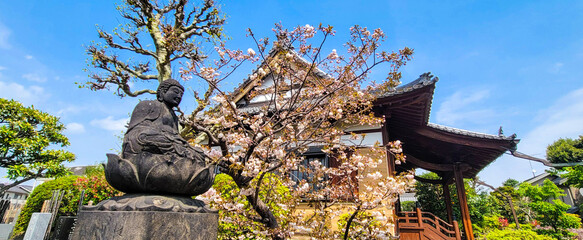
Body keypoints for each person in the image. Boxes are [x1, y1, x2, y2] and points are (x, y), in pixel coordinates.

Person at [106, 79, 214, 196]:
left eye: (181, 95)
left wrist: (178, 141)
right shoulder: (148, 105)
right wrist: (164, 137)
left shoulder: (174, 116)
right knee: (152, 139)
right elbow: (135, 131)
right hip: (146, 141)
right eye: (175, 92)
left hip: (168, 144)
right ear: (162, 92)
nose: (179, 96)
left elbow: (175, 136)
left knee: (198, 153)